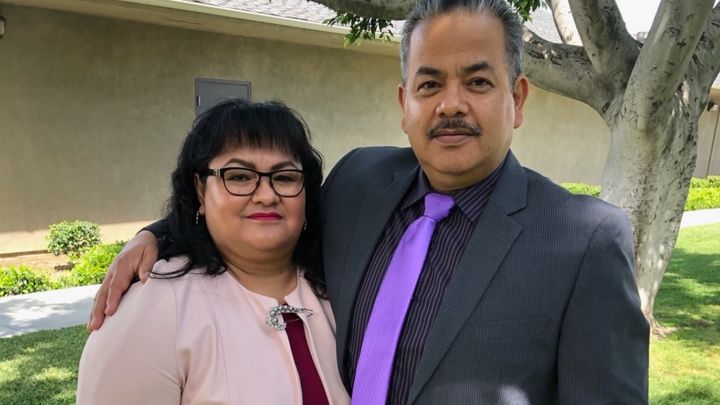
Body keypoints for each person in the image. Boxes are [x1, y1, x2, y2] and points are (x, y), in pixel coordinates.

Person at [89, 0, 649, 403]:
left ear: (518, 99)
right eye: (429, 84)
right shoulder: (360, 182)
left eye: (478, 82)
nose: (451, 104)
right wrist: (156, 235)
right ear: (405, 103)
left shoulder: (583, 240)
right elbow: (261, 208)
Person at [77, 99, 349, 404]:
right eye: (239, 176)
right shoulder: (156, 306)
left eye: (285, 177)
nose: (266, 195)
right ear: (200, 191)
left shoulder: (342, 283)